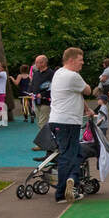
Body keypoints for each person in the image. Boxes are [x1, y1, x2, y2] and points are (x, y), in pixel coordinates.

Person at [49, 48, 93, 203]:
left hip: (59, 120)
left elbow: (77, 94)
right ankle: (62, 192)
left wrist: (86, 109)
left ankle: (72, 181)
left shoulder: (59, 73)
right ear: (71, 60)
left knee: (73, 153)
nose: (83, 62)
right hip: (67, 122)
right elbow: (87, 90)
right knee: (68, 155)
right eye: (80, 59)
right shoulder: (73, 76)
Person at [29, 54, 54, 143]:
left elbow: (52, 87)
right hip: (36, 101)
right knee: (39, 122)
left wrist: (43, 94)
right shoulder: (36, 74)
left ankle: (43, 143)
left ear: (43, 63)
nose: (35, 65)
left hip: (46, 101)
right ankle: (46, 141)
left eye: (37, 63)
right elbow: (32, 85)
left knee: (43, 123)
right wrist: (30, 92)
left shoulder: (51, 73)